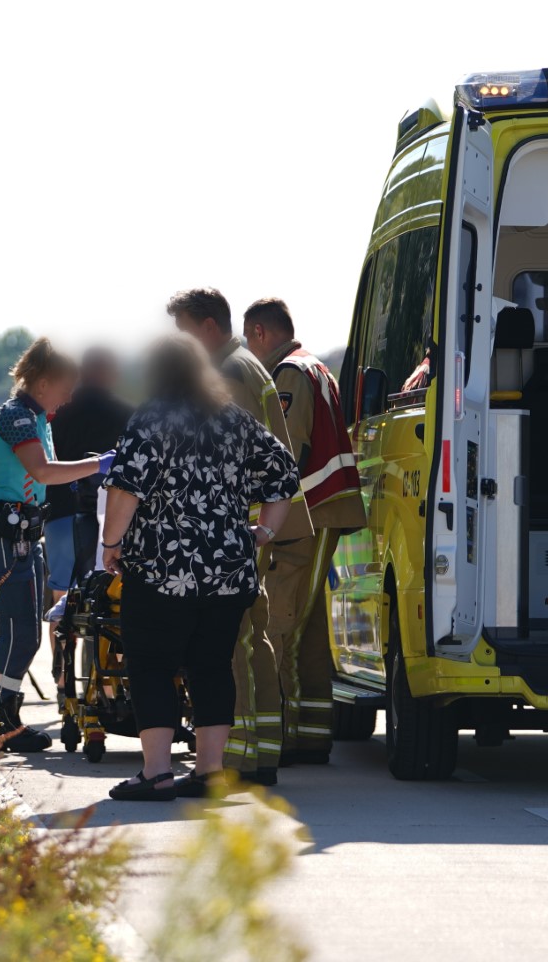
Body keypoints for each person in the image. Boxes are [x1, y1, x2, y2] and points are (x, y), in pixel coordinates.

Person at [100, 333, 300, 799]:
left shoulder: (150, 420)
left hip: (161, 569)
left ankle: (157, 773)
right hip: (229, 570)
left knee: (151, 665)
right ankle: (210, 771)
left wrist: (111, 544)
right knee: (211, 666)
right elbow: (284, 474)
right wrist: (263, 533)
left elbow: (125, 489)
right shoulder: (234, 420)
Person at [166, 287, 293, 784]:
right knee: (251, 637)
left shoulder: (229, 372)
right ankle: (258, 751)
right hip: (257, 523)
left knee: (229, 643)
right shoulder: (246, 361)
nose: (180, 341)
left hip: (242, 529)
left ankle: (236, 757)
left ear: (208, 327)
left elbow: (227, 455)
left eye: (183, 330)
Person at [243, 297, 366, 765]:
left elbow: (284, 451)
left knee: (279, 623)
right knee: (309, 630)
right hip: (320, 513)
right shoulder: (314, 367)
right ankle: (309, 734)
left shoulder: (289, 374)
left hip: (304, 518)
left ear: (259, 334)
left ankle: (265, 738)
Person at [0, 336, 111, 753]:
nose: (69, 397)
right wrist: (99, 463)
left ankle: (5, 717)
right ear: (41, 382)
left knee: (28, 631)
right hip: (5, 534)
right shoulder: (17, 416)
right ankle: (2, 722)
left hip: (24, 532)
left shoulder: (38, 417)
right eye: (65, 387)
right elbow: (43, 471)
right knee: (20, 631)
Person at [43, 347, 133, 614]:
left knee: (62, 597)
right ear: (111, 373)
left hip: (61, 510)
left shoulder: (55, 412)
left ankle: (61, 655)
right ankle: (102, 654)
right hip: (112, 515)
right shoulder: (126, 413)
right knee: (112, 595)